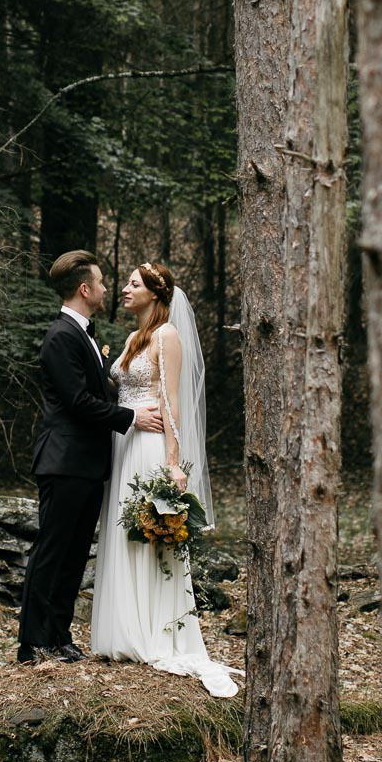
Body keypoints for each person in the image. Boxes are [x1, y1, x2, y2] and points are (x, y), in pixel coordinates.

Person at [89, 261, 239, 697]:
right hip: (124, 445)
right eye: (125, 283)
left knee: (149, 534)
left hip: (150, 448)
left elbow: (172, 402)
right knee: (123, 534)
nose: (124, 289)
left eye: (133, 283)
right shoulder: (133, 338)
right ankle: (123, 630)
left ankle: (154, 632)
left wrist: (174, 462)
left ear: (154, 293)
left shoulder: (167, 336)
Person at [17, 250, 165, 664]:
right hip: (63, 461)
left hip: (86, 464)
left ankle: (59, 635)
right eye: (100, 282)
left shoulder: (82, 334)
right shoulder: (60, 336)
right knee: (52, 551)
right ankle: (32, 643)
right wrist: (131, 417)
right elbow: (78, 401)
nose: (105, 288)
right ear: (84, 289)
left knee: (75, 553)